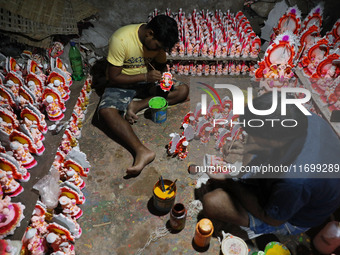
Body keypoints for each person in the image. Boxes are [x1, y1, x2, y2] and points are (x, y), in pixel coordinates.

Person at [202, 92, 340, 236]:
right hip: (298, 182)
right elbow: (278, 142)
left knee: (213, 202)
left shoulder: (295, 180)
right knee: (252, 142)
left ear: (274, 142)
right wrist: (249, 148)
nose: (250, 138)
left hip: (293, 217)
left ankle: (244, 194)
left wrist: (229, 182)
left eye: (257, 138)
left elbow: (273, 218)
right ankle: (245, 180)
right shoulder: (304, 117)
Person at [98, 15, 189, 176]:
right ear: (149, 34)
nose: (157, 50)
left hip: (147, 83)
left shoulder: (157, 44)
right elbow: (113, 77)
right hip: (122, 83)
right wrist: (145, 77)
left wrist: (163, 78)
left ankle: (137, 105)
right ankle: (142, 151)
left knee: (183, 91)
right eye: (157, 46)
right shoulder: (121, 39)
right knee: (106, 113)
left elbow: (161, 65)